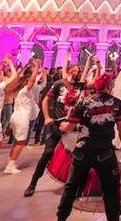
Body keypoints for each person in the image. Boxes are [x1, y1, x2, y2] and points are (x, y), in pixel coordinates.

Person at [50, 73, 121, 221]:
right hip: (105, 153)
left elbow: (69, 126)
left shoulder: (84, 103)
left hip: (83, 151)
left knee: (71, 187)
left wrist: (62, 125)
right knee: (111, 189)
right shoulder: (116, 104)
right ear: (109, 86)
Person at [24, 64, 81, 196]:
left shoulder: (79, 86)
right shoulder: (59, 84)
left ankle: (74, 185)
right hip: (56, 124)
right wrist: (47, 117)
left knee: (78, 157)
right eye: (77, 71)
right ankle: (33, 183)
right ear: (71, 71)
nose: (79, 73)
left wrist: (96, 65)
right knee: (48, 153)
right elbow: (45, 101)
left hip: (72, 126)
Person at [5, 60, 42, 174]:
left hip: (16, 116)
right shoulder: (25, 91)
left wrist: (26, 67)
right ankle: (11, 165)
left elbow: (20, 77)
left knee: (16, 141)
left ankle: (11, 161)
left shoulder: (19, 92)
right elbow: (32, 80)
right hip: (22, 118)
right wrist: (36, 67)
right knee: (21, 142)